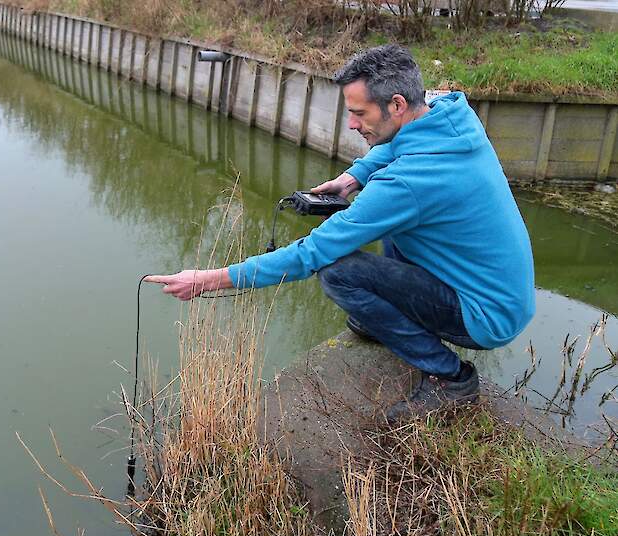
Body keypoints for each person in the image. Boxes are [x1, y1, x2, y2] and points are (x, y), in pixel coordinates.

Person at [144, 44, 535, 422]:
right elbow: (401, 142)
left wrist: (209, 280)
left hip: (484, 316)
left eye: (359, 114)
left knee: (338, 271)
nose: (351, 124)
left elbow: (310, 254)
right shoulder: (452, 116)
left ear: (397, 104)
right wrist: (354, 176)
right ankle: (387, 319)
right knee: (394, 225)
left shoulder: (408, 184)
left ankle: (451, 380)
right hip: (501, 292)